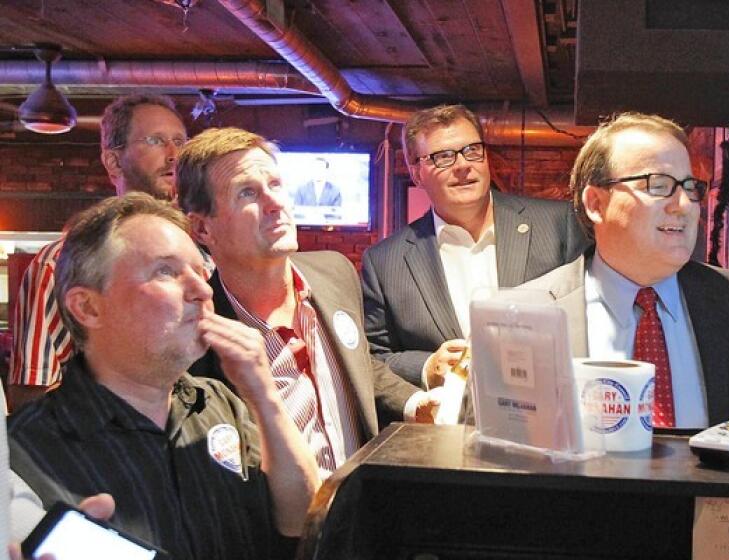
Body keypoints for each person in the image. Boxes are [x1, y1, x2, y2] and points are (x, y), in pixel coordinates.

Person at [9, 194, 319, 560]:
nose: (203, 290)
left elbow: (302, 522)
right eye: (166, 272)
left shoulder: (220, 402)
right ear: (88, 307)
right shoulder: (22, 450)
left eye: (200, 272)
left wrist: (263, 394)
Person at [520, 112, 729, 428]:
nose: (683, 204)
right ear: (596, 203)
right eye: (659, 186)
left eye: (690, 187)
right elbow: (491, 453)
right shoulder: (528, 313)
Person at [178, 127, 438, 480]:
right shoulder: (194, 341)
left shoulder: (335, 272)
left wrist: (413, 403)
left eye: (276, 184)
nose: (275, 204)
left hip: (362, 513)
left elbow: (358, 362)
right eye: (247, 193)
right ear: (202, 229)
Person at [362, 104, 590, 389]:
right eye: (443, 157)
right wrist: (427, 367)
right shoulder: (385, 262)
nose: (462, 165)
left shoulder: (559, 224)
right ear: (416, 173)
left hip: (547, 418)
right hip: (447, 426)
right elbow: (372, 356)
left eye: (472, 150)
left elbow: (594, 316)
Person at [8, 94, 188, 411]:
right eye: (156, 141)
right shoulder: (63, 261)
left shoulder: (205, 257)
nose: (174, 155)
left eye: (179, 141)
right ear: (114, 162)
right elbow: (31, 395)